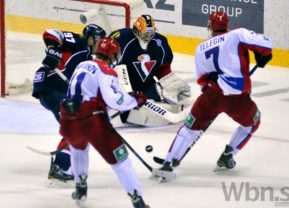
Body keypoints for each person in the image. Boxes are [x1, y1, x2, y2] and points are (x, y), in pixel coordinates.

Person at [152, 11, 272, 178]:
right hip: (238, 99)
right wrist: (263, 56)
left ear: (210, 26)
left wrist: (213, 93)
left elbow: (201, 80)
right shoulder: (237, 34)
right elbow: (266, 44)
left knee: (189, 128)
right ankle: (227, 156)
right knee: (252, 123)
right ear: (227, 24)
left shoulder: (200, 47)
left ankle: (169, 161)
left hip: (211, 96)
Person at [59, 37, 150, 208]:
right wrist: (135, 100)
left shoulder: (82, 64)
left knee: (79, 150)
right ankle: (138, 201)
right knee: (122, 161)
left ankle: (80, 188)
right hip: (92, 122)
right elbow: (114, 100)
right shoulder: (106, 70)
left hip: (67, 121)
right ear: (113, 55)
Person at [32, 24, 106, 184]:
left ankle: (61, 163)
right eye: (99, 40)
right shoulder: (79, 41)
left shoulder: (88, 60)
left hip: (56, 91)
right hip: (49, 85)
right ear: (91, 38)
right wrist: (53, 50)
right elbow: (51, 33)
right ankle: (59, 166)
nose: (101, 45)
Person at [109, 14, 191, 126]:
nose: (147, 37)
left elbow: (163, 68)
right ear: (136, 29)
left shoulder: (160, 42)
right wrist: (125, 93)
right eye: (144, 33)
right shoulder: (122, 39)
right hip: (123, 88)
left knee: (168, 102)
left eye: (150, 33)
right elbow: (111, 68)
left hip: (147, 87)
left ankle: (181, 108)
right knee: (129, 113)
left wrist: (170, 82)